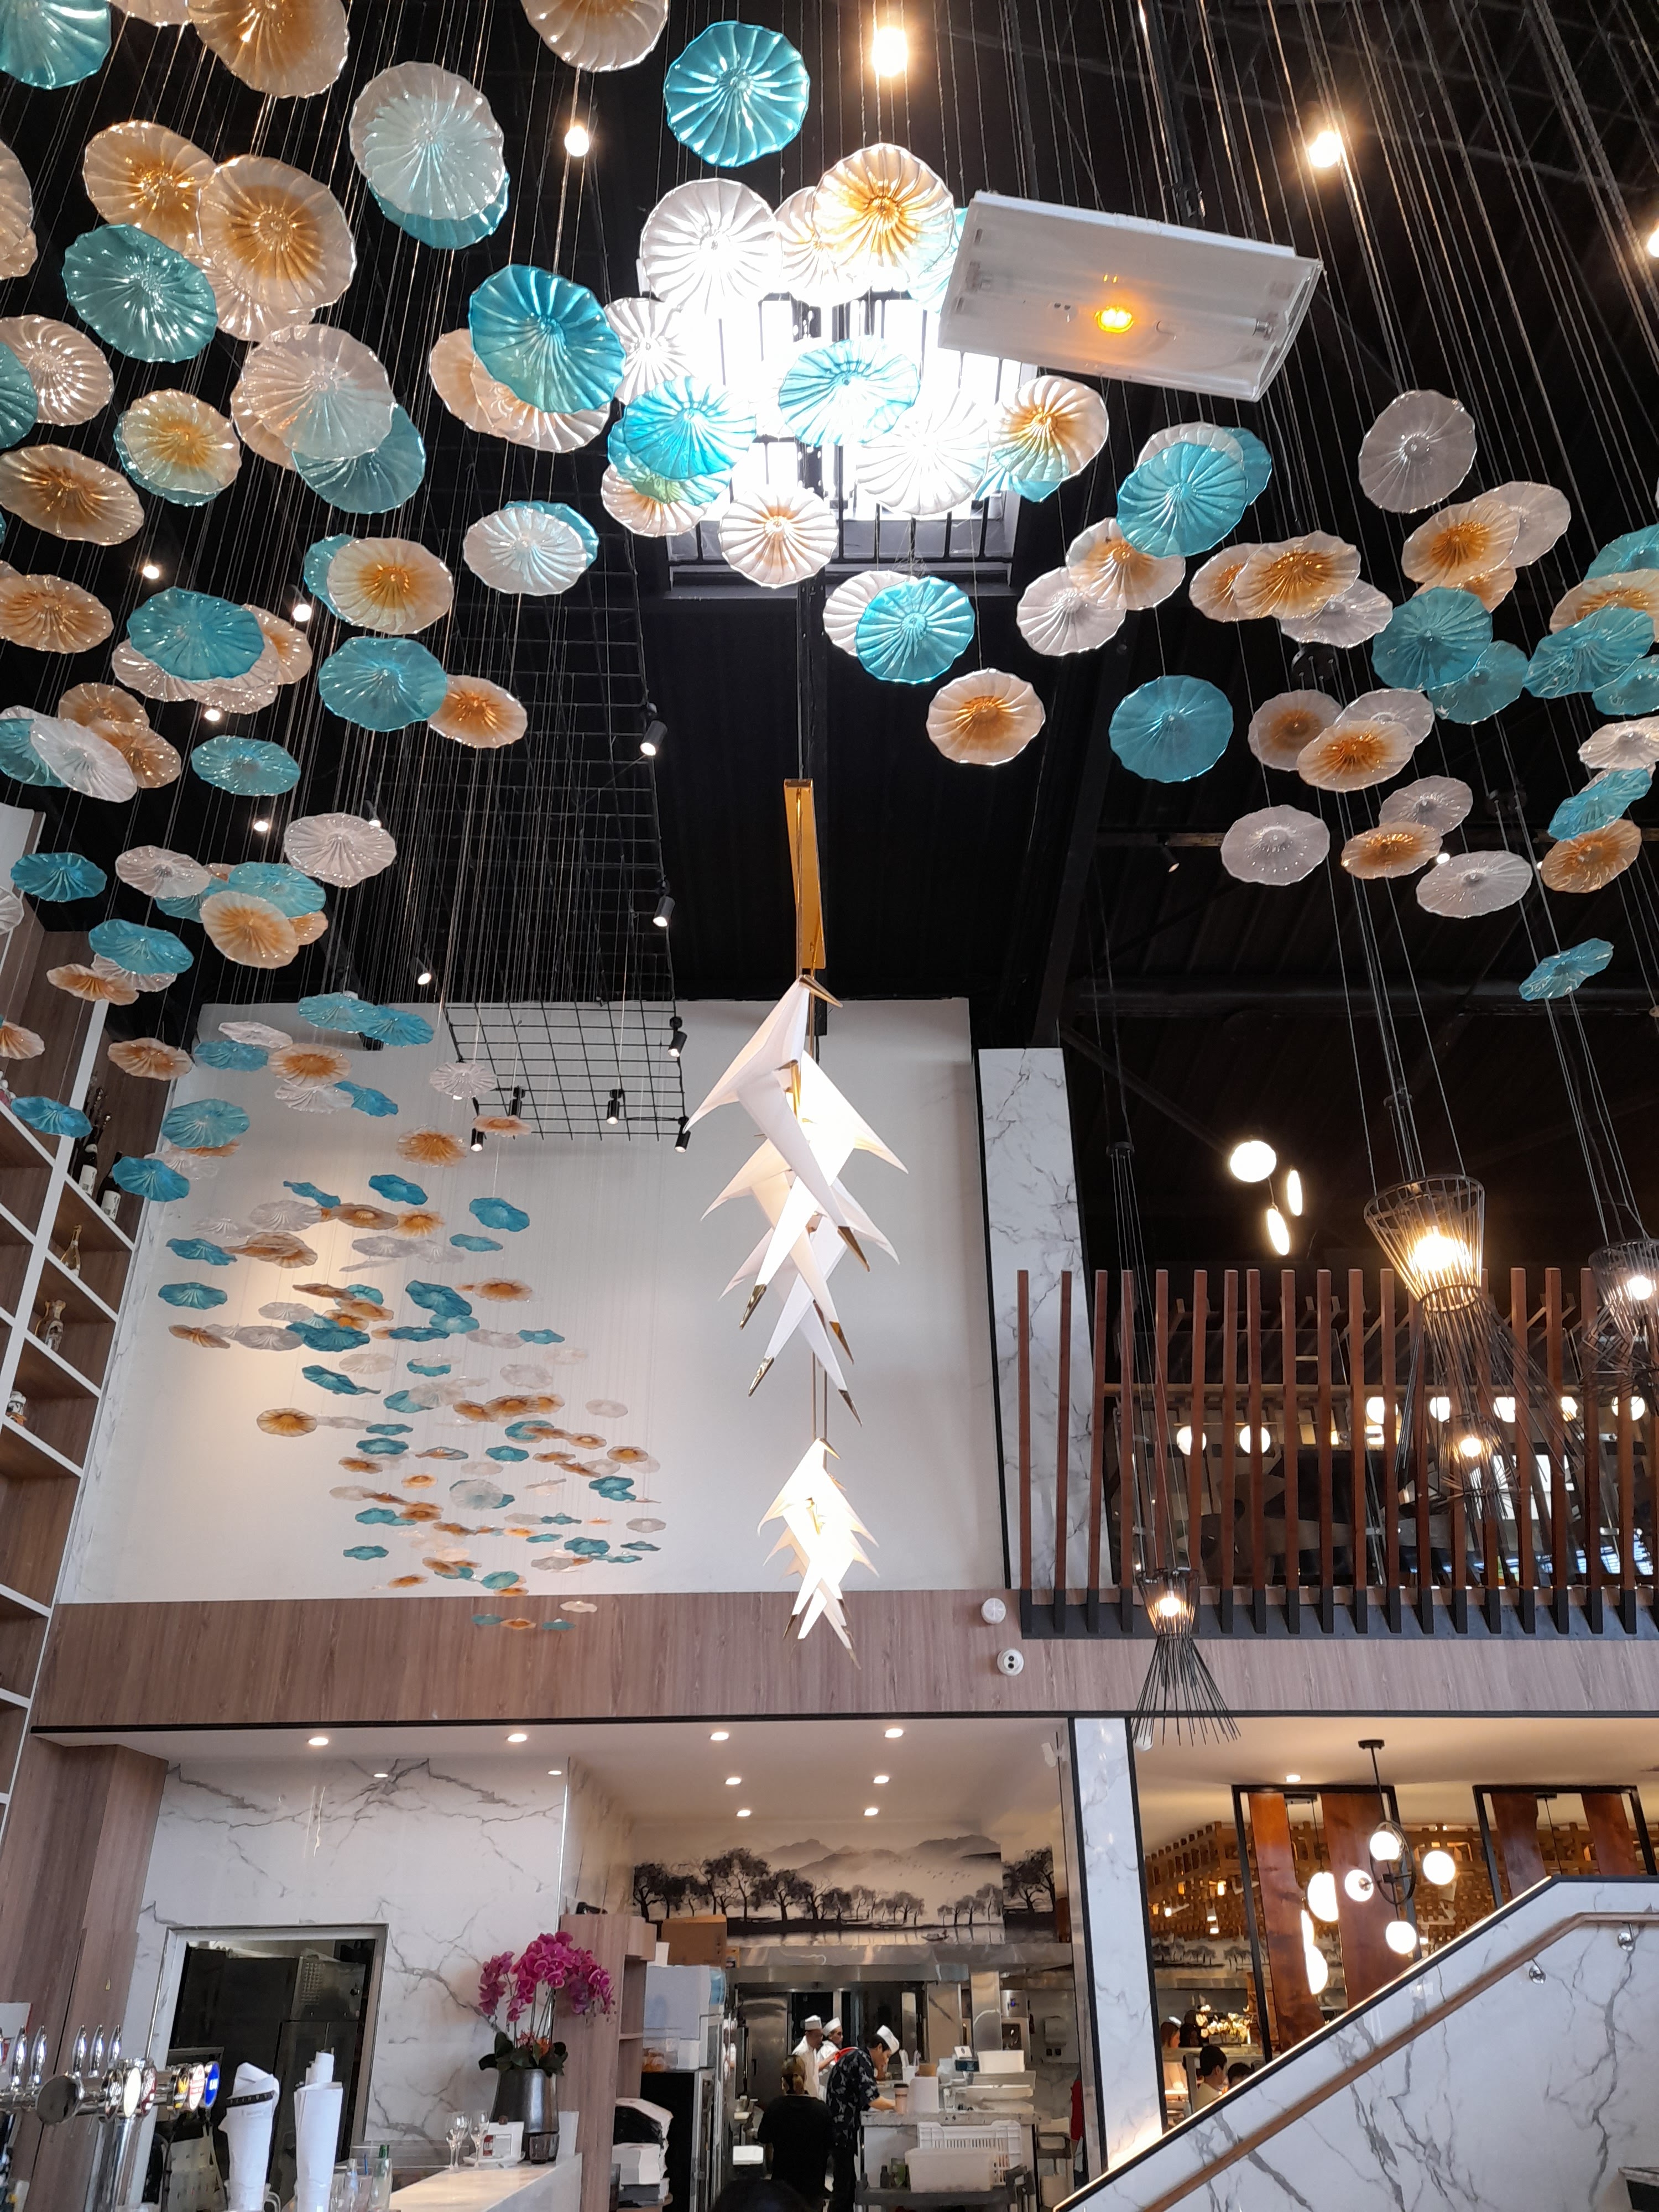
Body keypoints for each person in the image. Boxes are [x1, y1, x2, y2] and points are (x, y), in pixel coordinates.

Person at [824, 2029, 894, 2212]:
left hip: (842, 2130)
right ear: (879, 2048)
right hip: (842, 2131)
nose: (886, 2062)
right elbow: (873, 2099)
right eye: (887, 2056)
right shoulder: (862, 2059)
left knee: (848, 2189)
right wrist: (899, 2104)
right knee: (843, 2190)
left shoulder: (859, 2057)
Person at [757, 2058, 832, 2211]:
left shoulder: (776, 2108)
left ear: (783, 2082)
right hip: (813, 2190)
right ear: (805, 2078)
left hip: (783, 2189)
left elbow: (763, 2136)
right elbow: (831, 2144)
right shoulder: (822, 2110)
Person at [791, 2017, 828, 2101]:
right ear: (807, 2035)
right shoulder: (800, 2053)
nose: (820, 2039)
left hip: (814, 2098)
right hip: (804, 2100)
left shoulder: (813, 2048)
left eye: (821, 2036)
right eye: (817, 2036)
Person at [1190, 2046, 1228, 2111]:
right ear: (1218, 2070)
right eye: (1225, 2070)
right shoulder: (1213, 2098)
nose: (1225, 2076)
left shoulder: (1204, 2091)